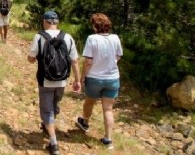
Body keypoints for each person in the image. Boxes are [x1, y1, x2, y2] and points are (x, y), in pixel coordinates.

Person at [28, 11, 81, 155]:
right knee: (55, 105)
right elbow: (75, 60)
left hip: (45, 80)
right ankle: (48, 125)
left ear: (45, 21)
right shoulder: (68, 37)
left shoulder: (39, 36)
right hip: (62, 80)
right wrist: (77, 80)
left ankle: (53, 144)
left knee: (47, 110)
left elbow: (31, 58)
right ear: (57, 22)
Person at [76, 13, 123, 150]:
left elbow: (88, 61)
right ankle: (108, 140)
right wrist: (111, 63)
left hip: (95, 77)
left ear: (95, 26)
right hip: (113, 78)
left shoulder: (92, 38)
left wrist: (83, 77)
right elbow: (118, 55)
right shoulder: (115, 38)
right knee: (108, 109)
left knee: (90, 101)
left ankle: (84, 122)